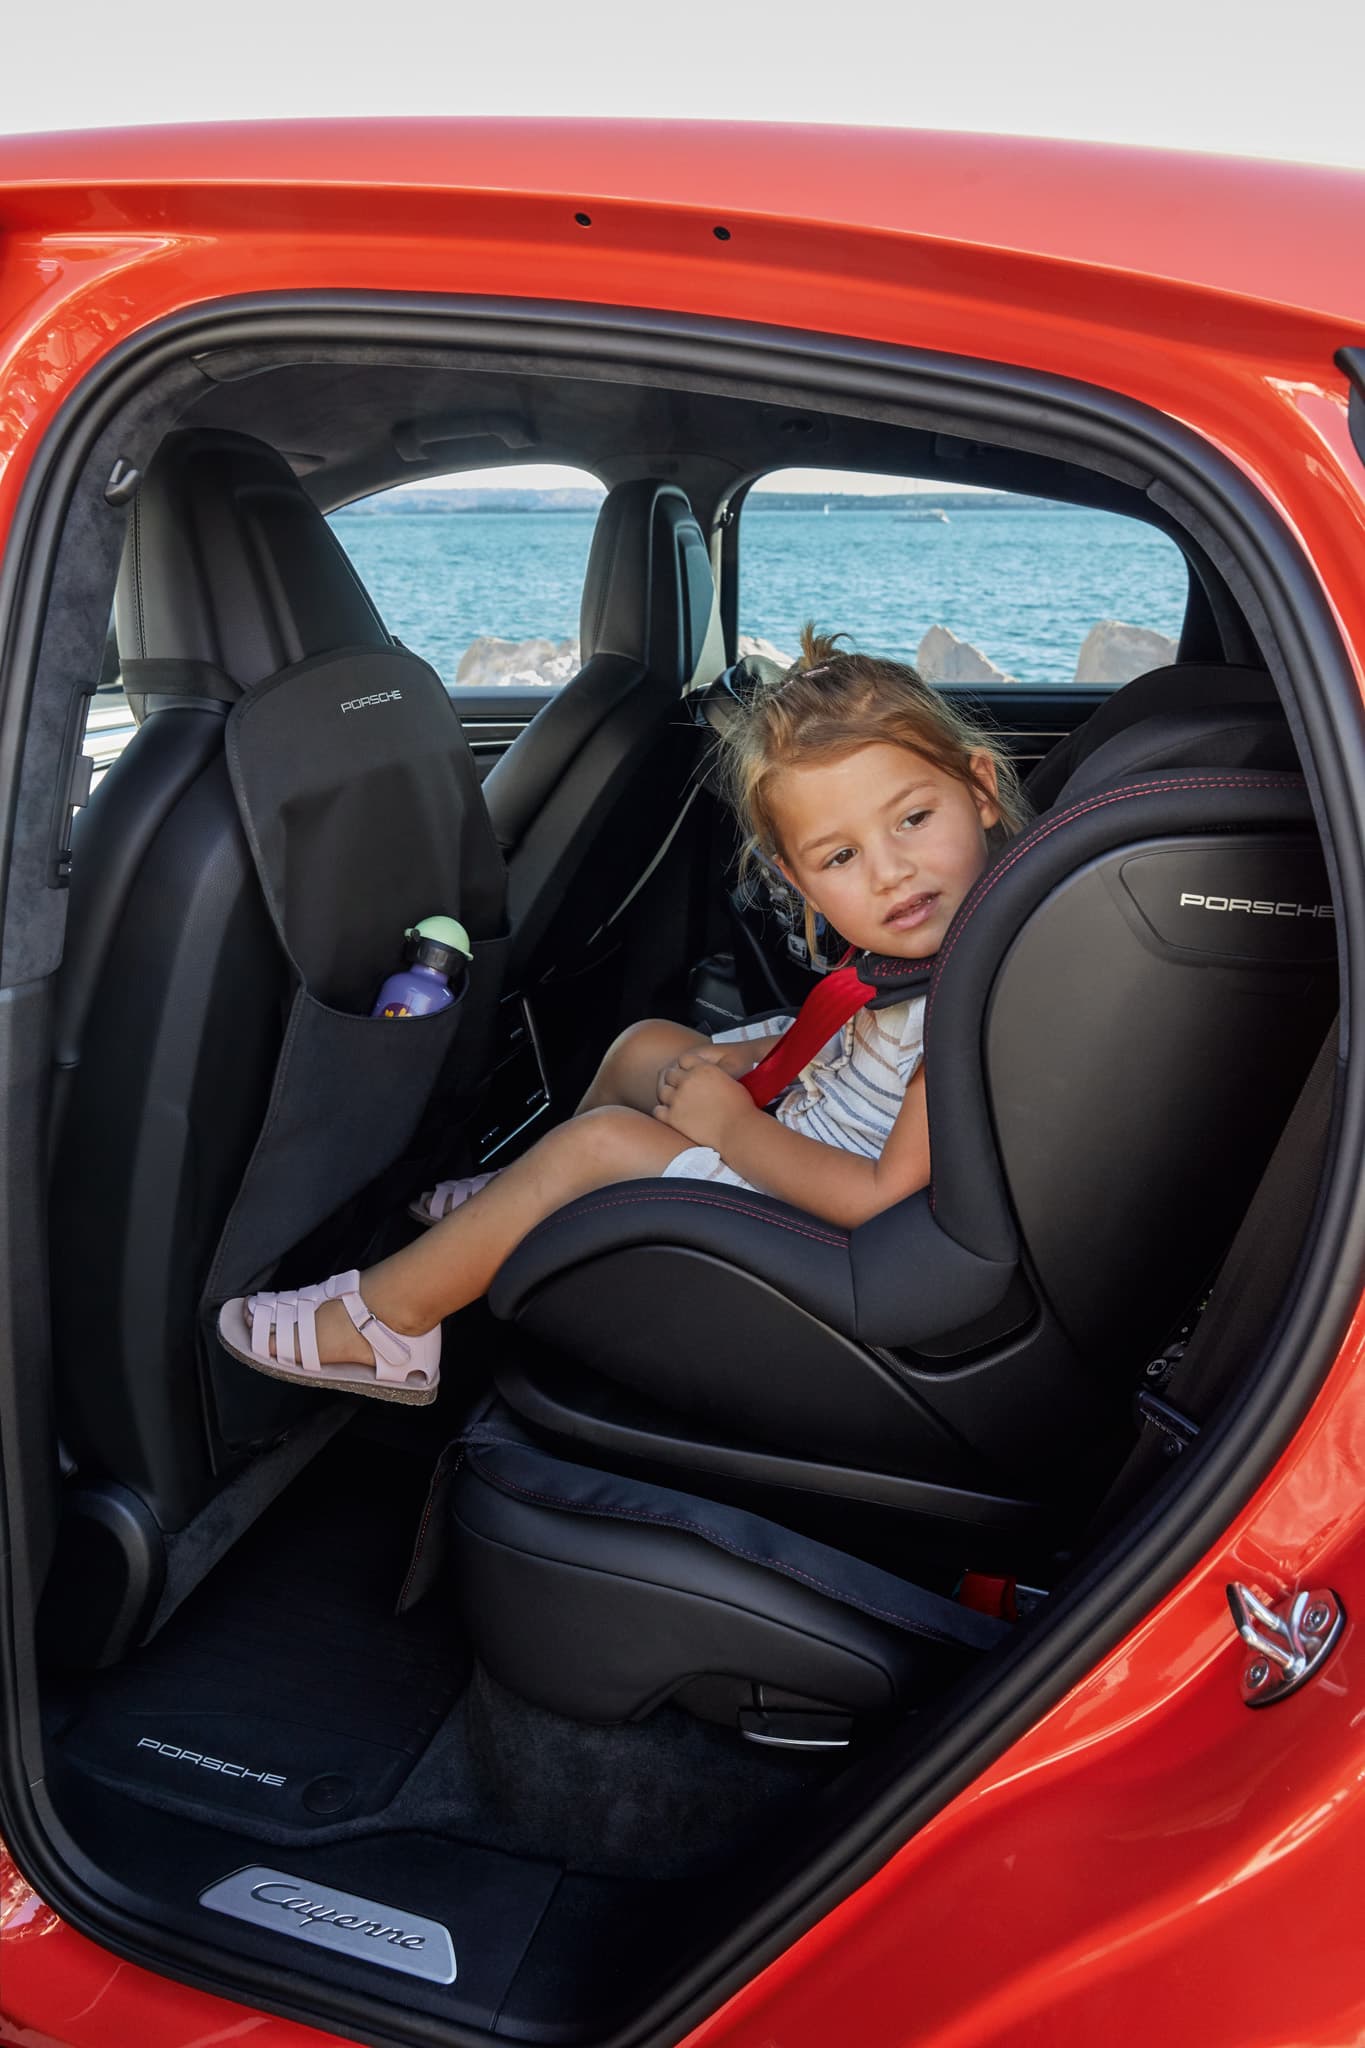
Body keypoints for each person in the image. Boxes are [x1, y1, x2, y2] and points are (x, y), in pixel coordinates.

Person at [217, 627, 1028, 1403]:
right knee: (646, 1046)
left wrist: (730, 1127)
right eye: (841, 857)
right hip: (808, 1137)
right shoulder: (945, 938)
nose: (890, 872)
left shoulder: (969, 998)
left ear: (982, 788)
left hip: (824, 1227)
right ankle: (523, 1193)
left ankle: (388, 1326)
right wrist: (759, 1061)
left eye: (912, 819)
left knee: (600, 1143)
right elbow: (857, 1036)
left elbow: (879, 1197)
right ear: (799, 881)